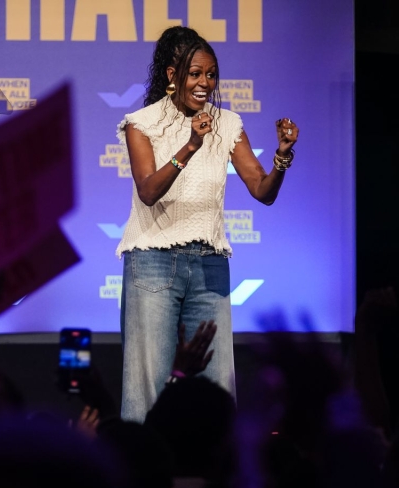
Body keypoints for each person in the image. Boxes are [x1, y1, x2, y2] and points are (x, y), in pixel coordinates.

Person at [116, 26, 300, 422]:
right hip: (152, 262)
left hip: (211, 264)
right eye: (195, 73)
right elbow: (148, 191)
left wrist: (282, 158)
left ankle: (218, 474)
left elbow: (261, 189)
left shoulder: (227, 123)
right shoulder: (142, 123)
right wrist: (190, 146)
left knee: (217, 382)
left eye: (211, 74)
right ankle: (141, 473)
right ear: (172, 75)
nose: (205, 83)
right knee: (148, 382)